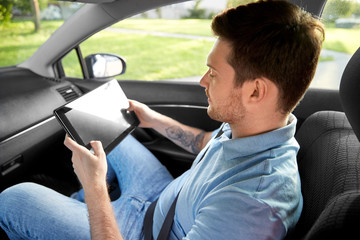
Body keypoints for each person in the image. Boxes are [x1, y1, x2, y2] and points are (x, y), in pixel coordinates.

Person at [0, 0, 324, 239]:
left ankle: (85, 208)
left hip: (144, 233)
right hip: (161, 196)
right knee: (105, 130)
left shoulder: (249, 209)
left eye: (213, 73)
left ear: (255, 91)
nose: (202, 81)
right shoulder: (255, 127)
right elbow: (207, 144)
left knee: (14, 199)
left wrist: (96, 187)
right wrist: (154, 120)